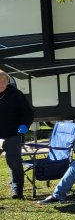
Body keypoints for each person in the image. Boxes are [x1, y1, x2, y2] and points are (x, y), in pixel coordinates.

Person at [0, 70, 34, 199]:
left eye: (4, 81)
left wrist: (25, 124)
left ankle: (17, 191)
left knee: (14, 163)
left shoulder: (15, 94)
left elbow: (28, 113)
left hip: (12, 134)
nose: (2, 84)